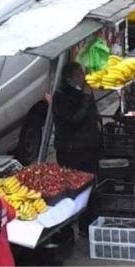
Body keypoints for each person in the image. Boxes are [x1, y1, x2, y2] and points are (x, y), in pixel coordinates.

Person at [51, 62, 101, 232]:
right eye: (79, 74)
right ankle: (78, 224)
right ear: (70, 78)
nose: (83, 76)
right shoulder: (62, 97)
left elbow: (92, 114)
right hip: (73, 152)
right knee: (76, 188)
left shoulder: (84, 91)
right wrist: (86, 98)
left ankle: (88, 223)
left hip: (88, 148)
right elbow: (75, 120)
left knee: (90, 188)